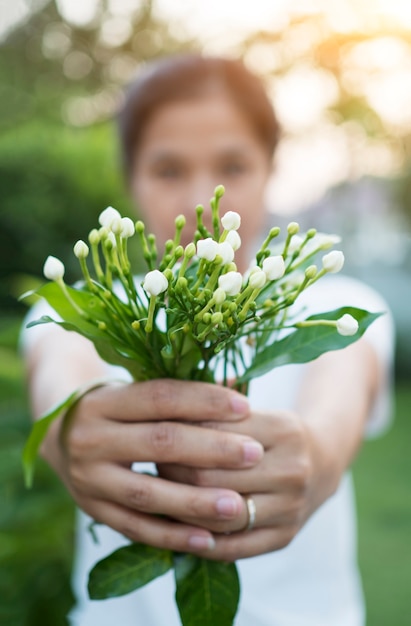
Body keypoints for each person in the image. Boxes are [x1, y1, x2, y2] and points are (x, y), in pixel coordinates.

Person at [23, 54, 394, 625]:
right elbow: (59, 366)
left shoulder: (326, 307)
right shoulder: (89, 309)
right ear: (130, 179)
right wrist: (69, 422)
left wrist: (316, 456)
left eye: (234, 165)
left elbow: (339, 394)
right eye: (168, 170)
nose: (202, 198)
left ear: (271, 169)